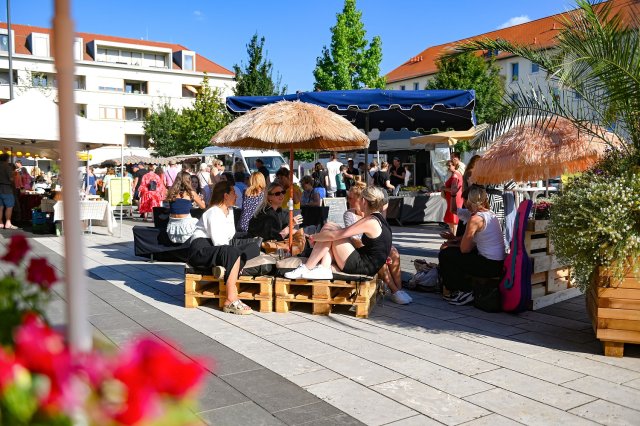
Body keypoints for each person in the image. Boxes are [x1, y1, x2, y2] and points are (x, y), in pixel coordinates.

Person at [285, 186, 391, 280]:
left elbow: (335, 235)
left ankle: (307, 267)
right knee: (330, 225)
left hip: (362, 267)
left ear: (363, 201)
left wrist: (314, 237)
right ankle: (323, 268)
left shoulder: (370, 221)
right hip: (369, 264)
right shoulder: (379, 219)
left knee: (331, 232)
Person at [188, 181, 259, 315]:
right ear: (225, 195)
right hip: (201, 250)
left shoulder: (230, 211)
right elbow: (219, 242)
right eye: (234, 193)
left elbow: (229, 236)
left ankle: (229, 265)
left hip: (219, 248)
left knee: (254, 246)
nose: (237, 196)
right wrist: (235, 255)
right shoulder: (213, 212)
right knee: (232, 251)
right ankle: (231, 299)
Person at [343, 182, 411, 304]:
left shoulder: (373, 214)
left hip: (370, 245)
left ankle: (399, 288)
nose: (348, 200)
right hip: (359, 247)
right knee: (378, 257)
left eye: (351, 197)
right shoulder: (349, 214)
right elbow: (354, 239)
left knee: (394, 252)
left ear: (361, 199)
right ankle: (394, 290)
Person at [438, 187, 506, 306]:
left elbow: (465, 249)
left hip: (489, 265)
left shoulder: (475, 219)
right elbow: (477, 241)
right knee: (452, 252)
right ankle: (462, 288)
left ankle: (464, 290)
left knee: (446, 254)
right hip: (496, 263)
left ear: (468, 201)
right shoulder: (490, 214)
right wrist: (455, 240)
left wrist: (451, 244)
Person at [166, 171, 205, 243]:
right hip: (186, 229)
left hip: (172, 230)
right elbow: (203, 207)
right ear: (188, 181)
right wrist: (202, 201)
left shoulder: (171, 192)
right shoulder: (191, 193)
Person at [443, 160, 463, 235]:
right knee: (452, 219)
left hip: (454, 198)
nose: (448, 167)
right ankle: (453, 235)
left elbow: (453, 189)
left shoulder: (455, 175)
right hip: (453, 198)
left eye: (449, 165)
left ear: (454, 165)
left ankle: (454, 236)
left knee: (453, 218)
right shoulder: (456, 174)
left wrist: (443, 188)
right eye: (447, 165)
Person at [0, 154, 17, 229]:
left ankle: (0, 223)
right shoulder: (7, 167)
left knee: (0, 207)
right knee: (9, 206)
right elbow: (11, 179)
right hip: (6, 188)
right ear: (7, 159)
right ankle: (8, 222)